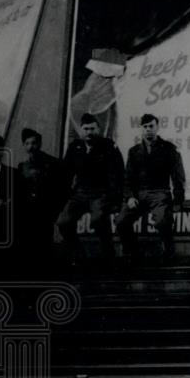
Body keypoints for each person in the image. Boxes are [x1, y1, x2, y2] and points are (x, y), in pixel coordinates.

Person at [116, 114, 186, 264]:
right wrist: (129, 197)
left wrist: (178, 200)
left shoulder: (168, 149)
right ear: (141, 129)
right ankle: (132, 252)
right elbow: (128, 178)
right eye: (145, 127)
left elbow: (178, 177)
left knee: (162, 221)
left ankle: (168, 251)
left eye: (151, 126)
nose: (148, 130)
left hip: (160, 192)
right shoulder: (134, 151)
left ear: (157, 127)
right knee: (121, 221)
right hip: (139, 194)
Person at [56, 113, 124, 266]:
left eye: (92, 129)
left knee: (98, 220)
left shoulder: (108, 146)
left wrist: (115, 200)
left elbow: (118, 174)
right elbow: (66, 173)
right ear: (81, 130)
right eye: (86, 129)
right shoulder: (75, 147)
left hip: (101, 194)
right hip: (80, 193)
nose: (89, 132)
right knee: (63, 222)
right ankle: (78, 253)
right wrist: (65, 197)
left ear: (98, 129)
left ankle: (108, 256)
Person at [16, 127, 66, 268]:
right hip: (28, 211)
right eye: (27, 143)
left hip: (47, 210)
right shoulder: (22, 166)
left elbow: (62, 188)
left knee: (45, 242)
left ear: (40, 144)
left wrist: (56, 209)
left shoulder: (53, 163)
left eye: (34, 143)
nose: (31, 147)